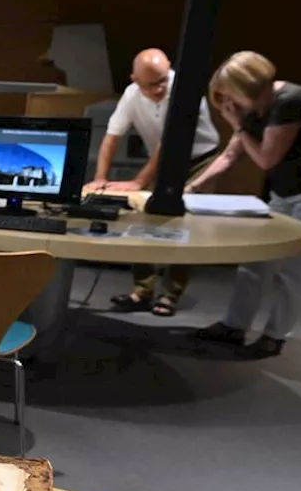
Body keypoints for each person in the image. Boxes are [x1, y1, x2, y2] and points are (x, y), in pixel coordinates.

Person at [192, 51, 301, 357]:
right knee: (256, 263)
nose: (229, 105)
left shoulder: (290, 102)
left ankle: (275, 335)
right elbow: (229, 155)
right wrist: (194, 186)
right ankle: (234, 325)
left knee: (298, 270)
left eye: (231, 97)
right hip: (284, 193)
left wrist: (236, 124)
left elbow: (267, 158)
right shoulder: (252, 109)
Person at [90, 48, 220, 316]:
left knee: (185, 221)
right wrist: (99, 179)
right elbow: (112, 137)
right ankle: (142, 290)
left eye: (163, 80)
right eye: (151, 84)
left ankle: (171, 293)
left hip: (200, 158)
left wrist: (138, 181)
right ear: (135, 80)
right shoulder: (131, 94)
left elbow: (169, 142)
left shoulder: (185, 90)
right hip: (161, 160)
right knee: (142, 217)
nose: (160, 88)